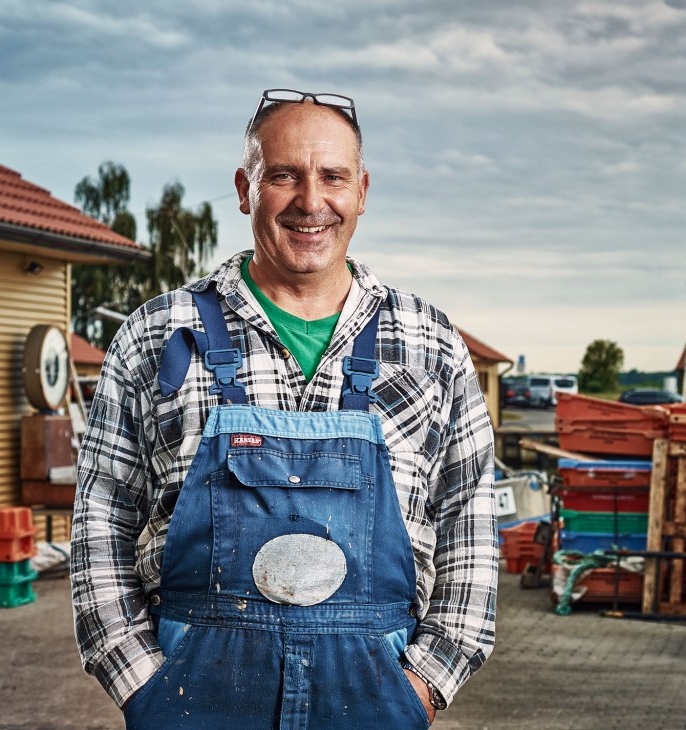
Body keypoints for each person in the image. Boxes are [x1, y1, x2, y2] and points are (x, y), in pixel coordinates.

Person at [72, 89, 499, 729]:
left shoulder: (429, 343)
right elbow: (99, 518)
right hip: (193, 706)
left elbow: (473, 522)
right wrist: (141, 683)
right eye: (284, 176)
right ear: (246, 189)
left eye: (333, 177)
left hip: (375, 703)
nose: (311, 202)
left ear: (362, 191)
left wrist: (424, 687)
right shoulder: (157, 334)